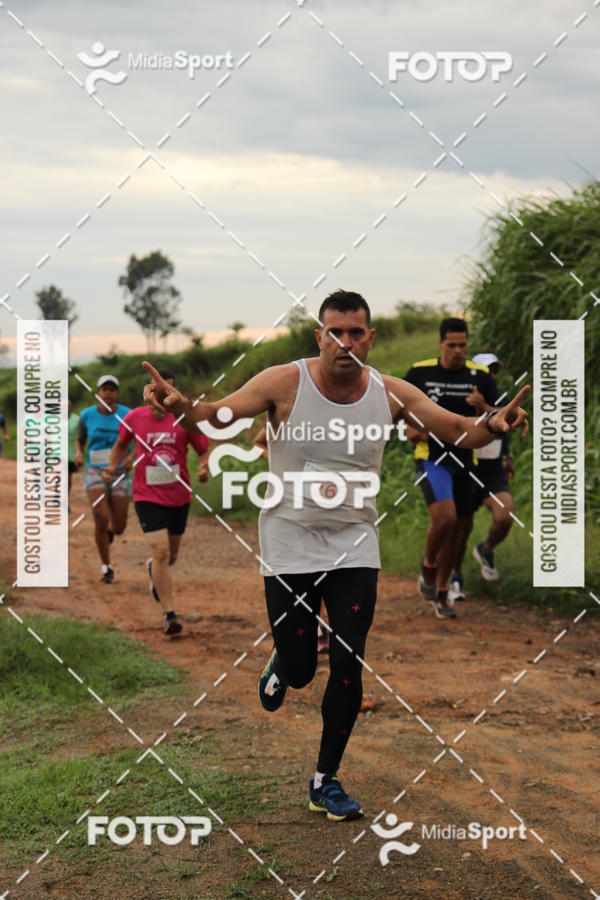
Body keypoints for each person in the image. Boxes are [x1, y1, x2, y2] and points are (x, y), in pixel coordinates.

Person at [142, 290, 529, 821]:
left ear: (369, 338)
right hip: (288, 543)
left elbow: (458, 430)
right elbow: (217, 416)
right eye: (335, 333)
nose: (345, 343)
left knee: (349, 661)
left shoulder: (391, 393)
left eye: (355, 333)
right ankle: (286, 659)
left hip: (353, 543)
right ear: (318, 337)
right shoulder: (285, 382)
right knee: (302, 671)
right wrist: (181, 406)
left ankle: (325, 780)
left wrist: (493, 425)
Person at [403, 318, 502, 619]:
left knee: (457, 532)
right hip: (431, 457)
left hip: (466, 461)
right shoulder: (420, 372)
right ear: (440, 344)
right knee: (444, 517)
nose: (458, 351)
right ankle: (428, 565)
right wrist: (409, 428)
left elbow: (501, 416)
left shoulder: (481, 375)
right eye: (452, 345)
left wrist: (483, 406)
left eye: (463, 345)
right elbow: (397, 408)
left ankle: (443, 591)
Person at [104, 370, 210, 635]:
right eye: (159, 389)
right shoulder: (134, 417)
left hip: (179, 497)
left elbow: (203, 450)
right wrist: (111, 466)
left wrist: (203, 468)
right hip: (146, 496)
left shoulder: (184, 419)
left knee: (169, 556)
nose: (164, 394)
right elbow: (120, 445)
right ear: (150, 390)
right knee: (161, 550)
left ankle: (154, 570)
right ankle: (170, 615)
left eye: (169, 390)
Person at [460, 352, 515, 584]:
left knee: (505, 514)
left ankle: (486, 549)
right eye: (486, 371)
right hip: (464, 472)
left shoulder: (498, 400)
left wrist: (508, 457)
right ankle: (454, 578)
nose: (492, 375)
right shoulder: (458, 398)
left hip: (492, 473)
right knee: (460, 531)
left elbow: (506, 423)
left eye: (494, 370)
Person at [75, 375, 134, 584]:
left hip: (119, 472)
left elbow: (139, 441)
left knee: (119, 527)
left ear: (117, 393)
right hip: (95, 470)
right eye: (104, 389)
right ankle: (106, 567)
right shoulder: (87, 415)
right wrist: (79, 453)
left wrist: (131, 457)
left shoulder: (128, 414)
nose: (108, 393)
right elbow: (80, 440)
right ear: (98, 392)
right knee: (100, 516)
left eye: (112, 389)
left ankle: (109, 532)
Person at [67, 399, 80, 500]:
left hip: (71, 454)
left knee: (68, 477)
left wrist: (79, 453)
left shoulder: (77, 420)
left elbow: (81, 437)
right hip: (55, 453)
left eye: (68, 406)